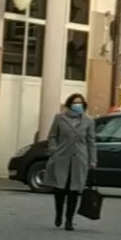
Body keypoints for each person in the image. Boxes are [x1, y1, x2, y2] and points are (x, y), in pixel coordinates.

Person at [45, 94, 96, 231]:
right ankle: (59, 214)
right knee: (60, 189)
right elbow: (52, 136)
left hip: (79, 159)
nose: (77, 105)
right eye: (75, 103)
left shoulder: (88, 121)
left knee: (74, 191)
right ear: (69, 104)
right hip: (61, 158)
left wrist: (92, 159)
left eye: (80, 103)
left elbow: (91, 142)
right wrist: (53, 150)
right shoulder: (60, 118)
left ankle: (69, 220)